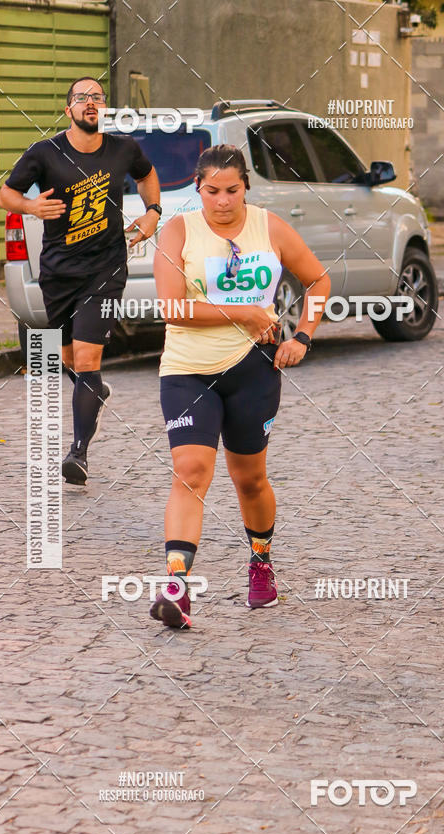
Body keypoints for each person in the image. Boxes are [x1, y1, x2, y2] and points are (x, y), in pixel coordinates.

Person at [150, 144, 331, 628]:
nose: (223, 200)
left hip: (254, 369)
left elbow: (318, 281)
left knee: (249, 478)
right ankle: (176, 586)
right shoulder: (178, 231)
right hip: (188, 369)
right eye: (212, 191)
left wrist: (303, 337)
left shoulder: (268, 227)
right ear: (198, 189)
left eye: (232, 190)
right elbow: (172, 308)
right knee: (190, 470)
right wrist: (245, 312)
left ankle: (261, 563)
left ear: (245, 187)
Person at [0, 76, 162, 485]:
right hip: (58, 272)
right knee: (70, 360)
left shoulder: (124, 149)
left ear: (103, 108)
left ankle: (79, 453)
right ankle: (96, 393)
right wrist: (30, 205)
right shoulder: (44, 153)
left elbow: (146, 176)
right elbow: (6, 194)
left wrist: (153, 211)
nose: (91, 102)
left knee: (88, 360)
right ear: (67, 108)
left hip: (105, 270)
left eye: (97, 97)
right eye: (82, 97)